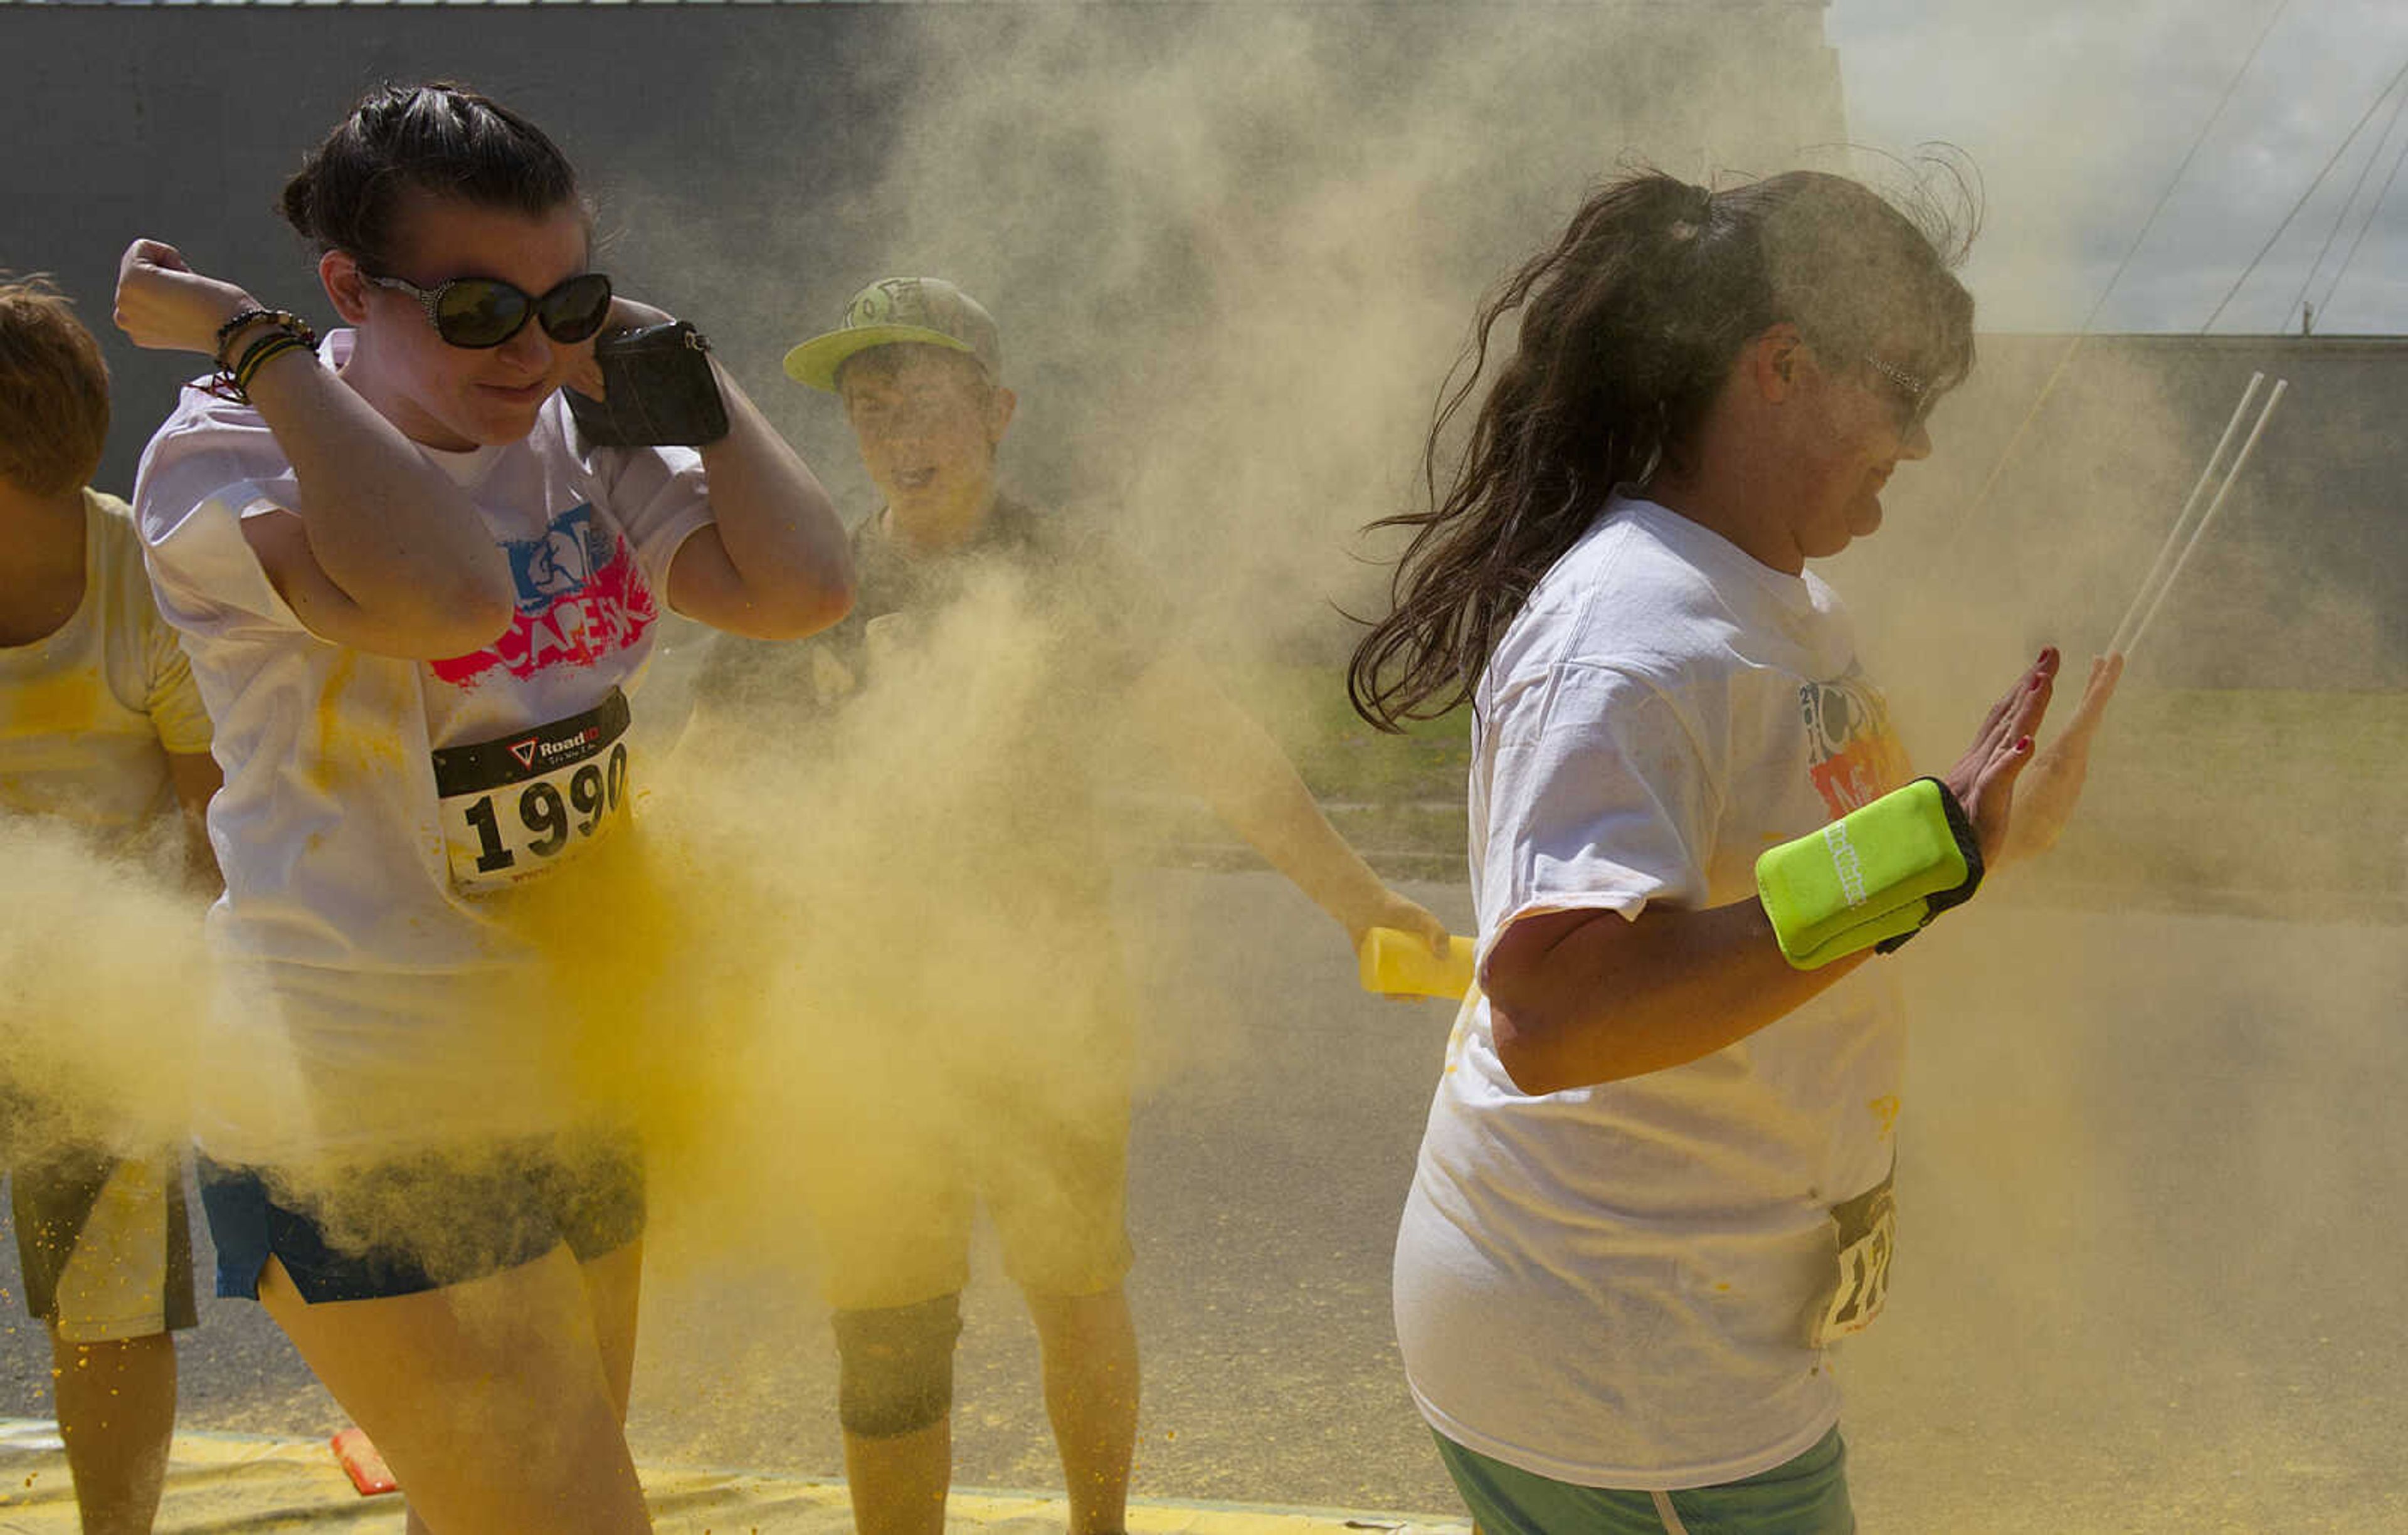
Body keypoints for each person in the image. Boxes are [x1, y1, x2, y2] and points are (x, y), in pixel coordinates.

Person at [115, 82, 853, 1532]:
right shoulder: (228, 453)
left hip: (571, 1067)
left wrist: (652, 343)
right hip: (359, 1096)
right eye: (472, 312)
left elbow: (800, 588)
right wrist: (253, 345)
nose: (526, 350)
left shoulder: (571, 427)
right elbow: (448, 598)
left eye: (559, 298)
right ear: (348, 289)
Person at [1349, 171, 2123, 1533]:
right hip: (1628, 1356)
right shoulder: (1635, 632)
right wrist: (1914, 867)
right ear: (1781, 367)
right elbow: (1555, 1010)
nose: (1922, 446)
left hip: (1666, 1333)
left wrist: (1978, 847)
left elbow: (1796, 894)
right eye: (1907, 396)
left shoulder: (1779, 595)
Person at [705, 276, 1449, 1535]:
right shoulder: (816, 578)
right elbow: (706, 777)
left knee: (1073, 1278)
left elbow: (1215, 745)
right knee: (886, 1318)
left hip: (1048, 991)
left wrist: (1363, 901)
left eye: (929, 403)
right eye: (873, 409)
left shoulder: (1065, 566)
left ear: (996, 412)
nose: (901, 435)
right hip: (870, 1012)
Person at [0, 272, 218, 1535]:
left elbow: (214, 840)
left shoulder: (148, 582)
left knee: (108, 1302)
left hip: (106, 991)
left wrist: (148, 1013)